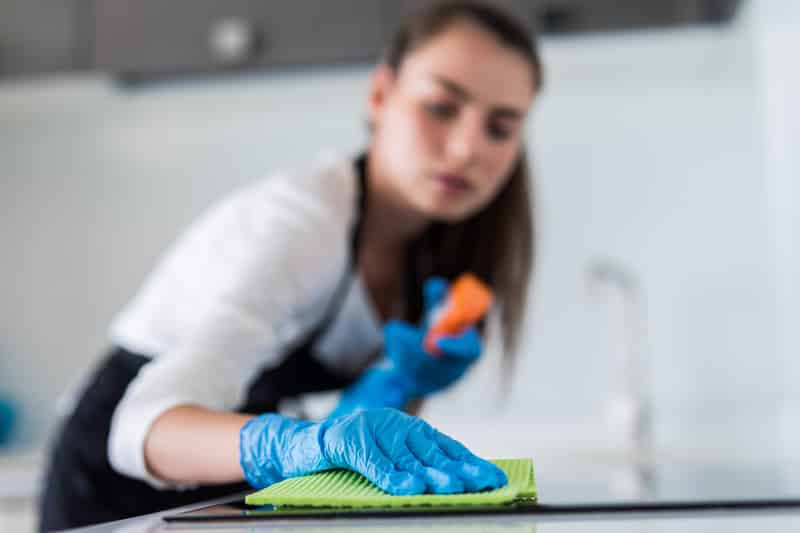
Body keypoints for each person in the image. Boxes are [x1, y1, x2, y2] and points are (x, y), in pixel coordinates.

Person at [38, 1, 543, 530]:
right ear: (379, 95)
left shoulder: (440, 253)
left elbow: (349, 457)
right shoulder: (299, 224)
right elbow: (138, 430)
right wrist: (300, 443)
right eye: (441, 107)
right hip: (112, 487)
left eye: (500, 128)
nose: (466, 149)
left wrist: (394, 385)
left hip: (228, 491)